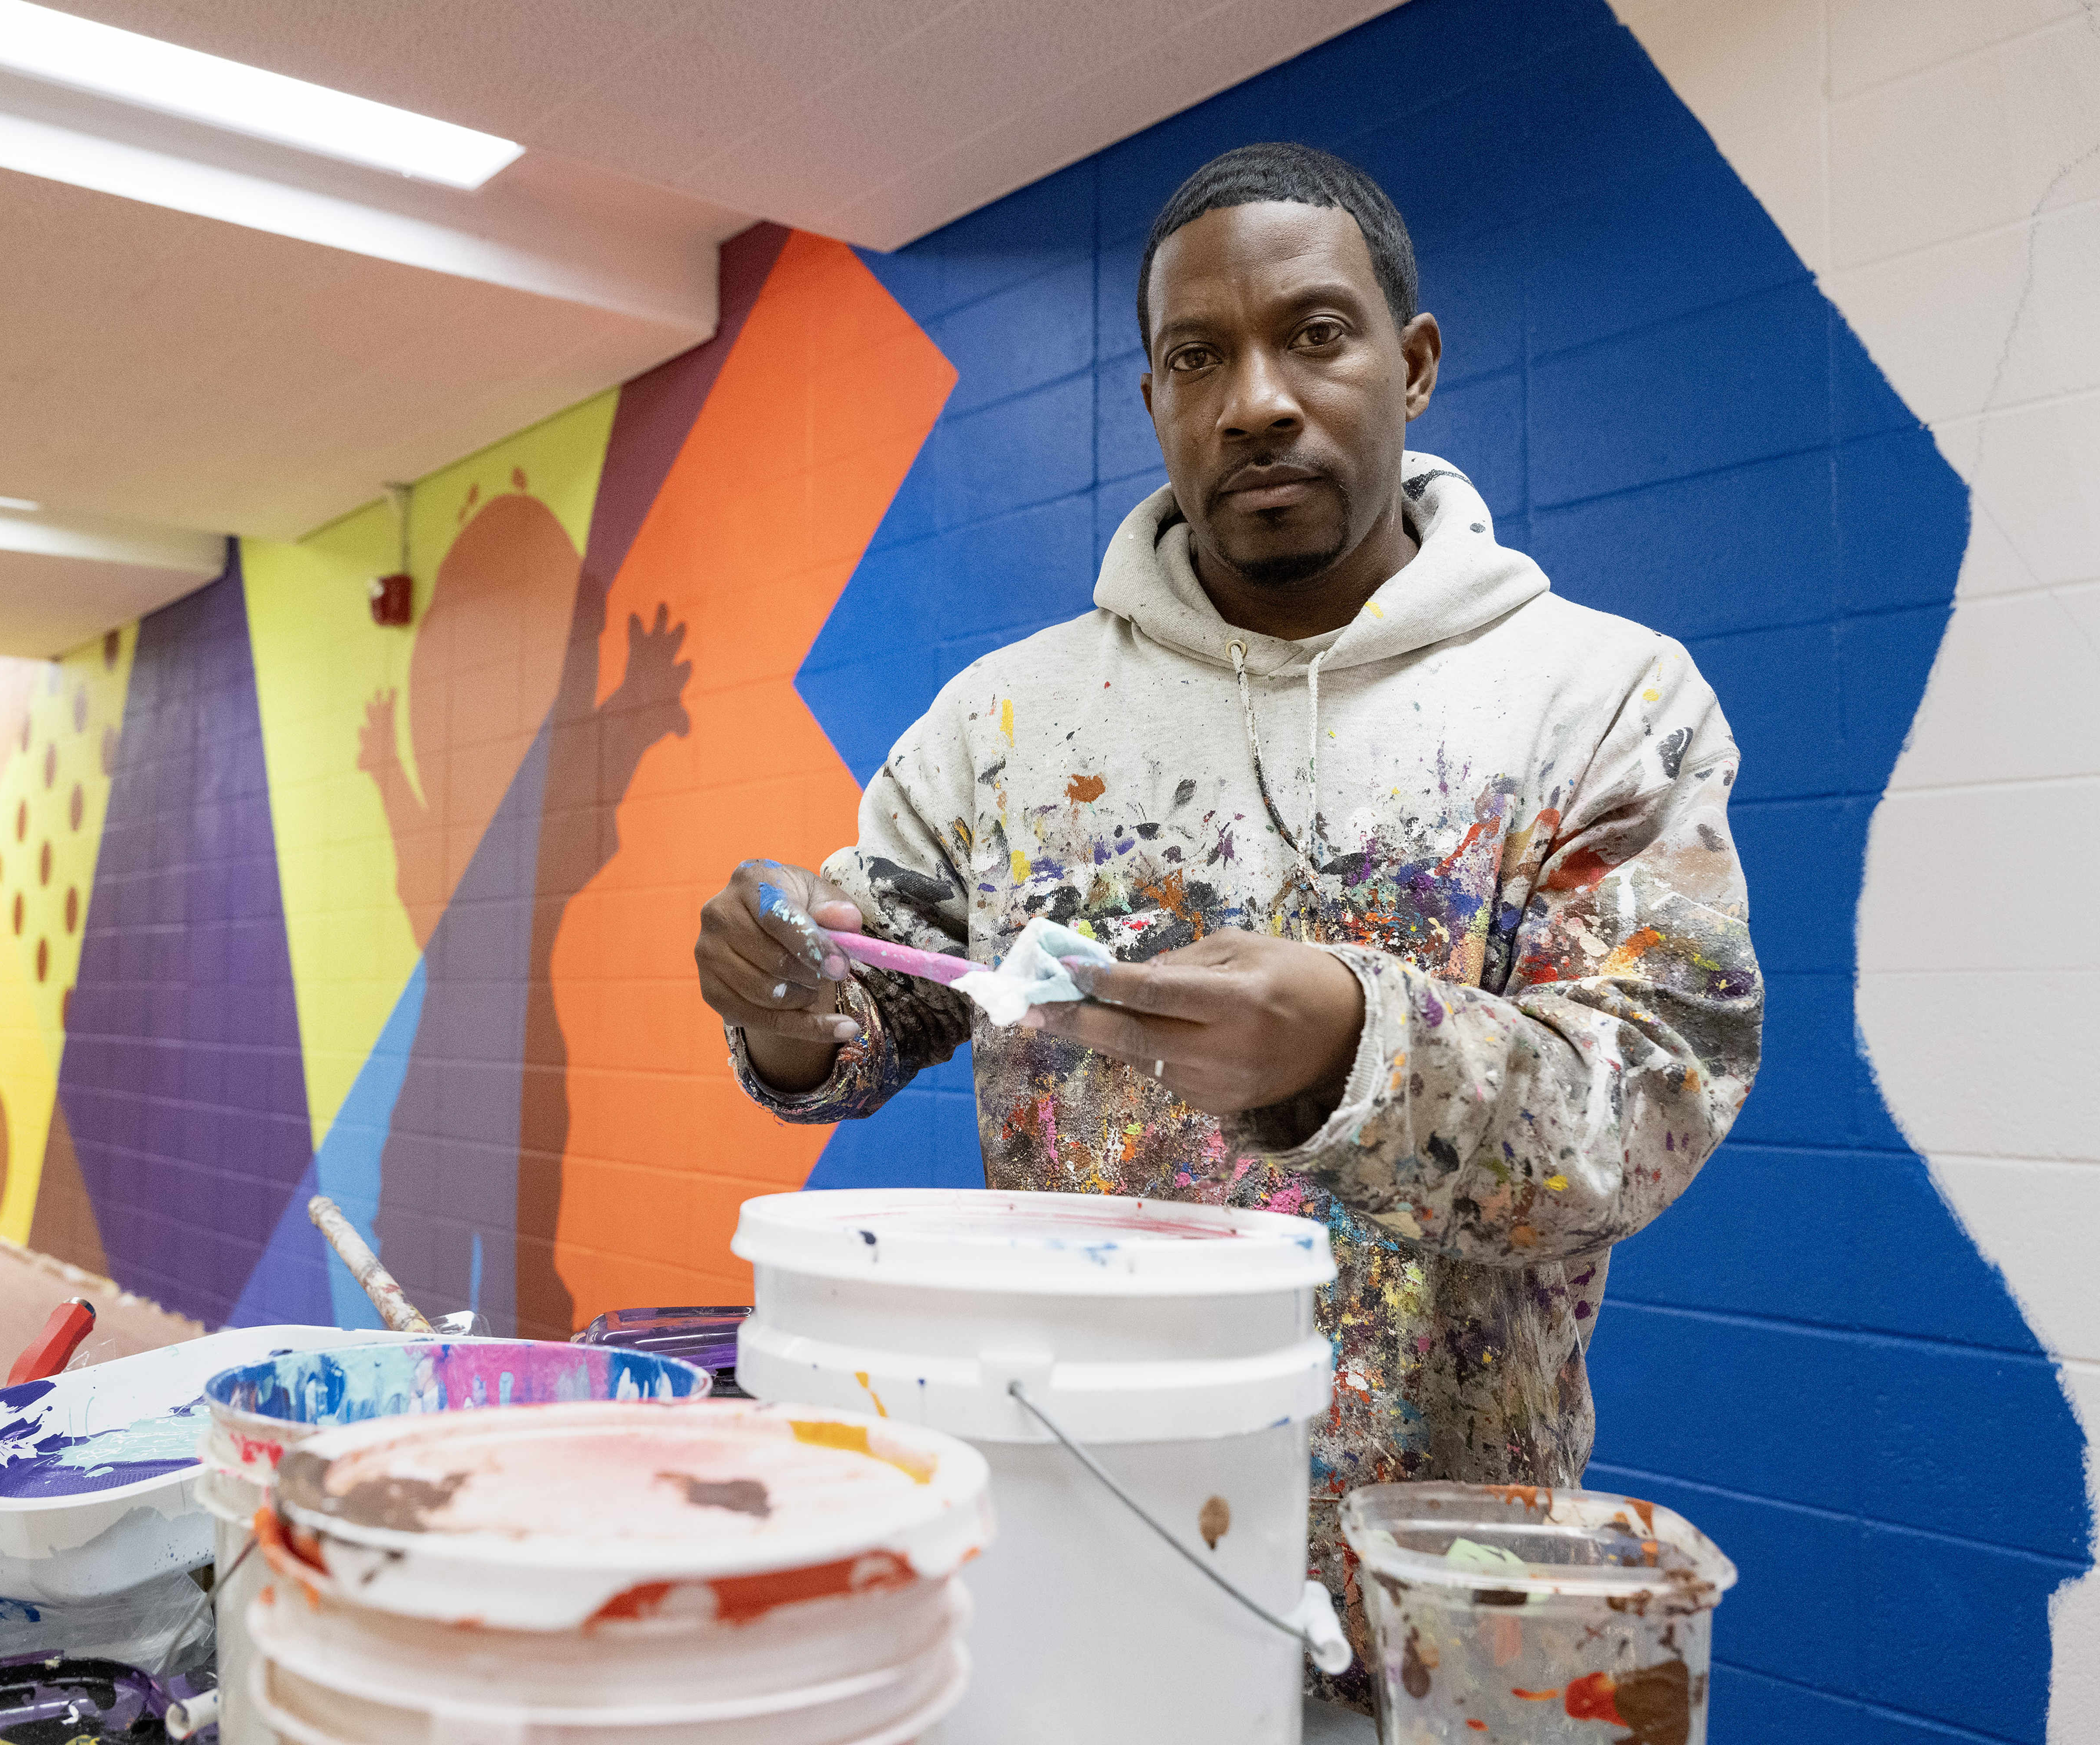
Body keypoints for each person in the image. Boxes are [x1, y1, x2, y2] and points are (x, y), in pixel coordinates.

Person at [691, 141, 1762, 1699]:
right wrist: (788, 1008)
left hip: (1431, 1600)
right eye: (1199, 357)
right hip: (1071, 1550)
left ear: (1415, 364)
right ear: (1155, 406)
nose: (1255, 397)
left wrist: (1353, 1047)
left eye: (1314, 336)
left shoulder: (1601, 703)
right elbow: (871, 998)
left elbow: (1655, 1099)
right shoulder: (1005, 726)